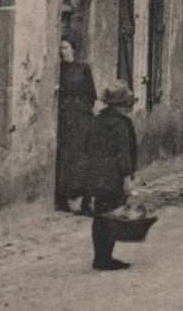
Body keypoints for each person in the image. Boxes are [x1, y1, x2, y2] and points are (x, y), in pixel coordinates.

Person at [86, 82, 140, 271]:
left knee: (100, 216)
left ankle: (100, 257)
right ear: (122, 104)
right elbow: (124, 153)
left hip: (98, 176)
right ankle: (105, 259)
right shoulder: (122, 124)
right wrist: (127, 177)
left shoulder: (97, 120)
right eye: (127, 104)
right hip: (115, 176)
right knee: (113, 215)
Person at [54, 37, 97, 214]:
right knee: (65, 159)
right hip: (65, 120)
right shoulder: (59, 70)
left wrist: (82, 109)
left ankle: (85, 200)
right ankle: (63, 199)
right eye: (60, 48)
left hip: (82, 119)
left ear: (73, 50)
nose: (62, 51)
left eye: (65, 47)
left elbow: (91, 94)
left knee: (83, 158)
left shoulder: (82, 68)